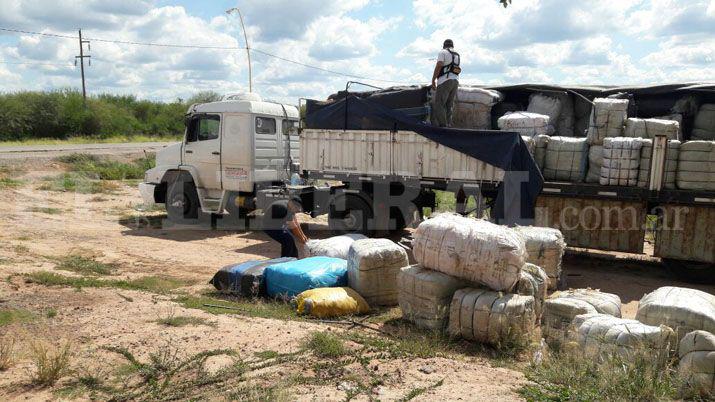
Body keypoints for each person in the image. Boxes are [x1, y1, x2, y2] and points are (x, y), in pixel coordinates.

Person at [431, 39, 461, 127]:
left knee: (439, 104)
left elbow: (439, 64)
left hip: (445, 80)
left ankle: (443, 125)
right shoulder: (457, 55)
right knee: (449, 104)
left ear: (444, 45)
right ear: (452, 46)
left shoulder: (443, 52)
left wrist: (433, 80)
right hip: (455, 81)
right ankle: (448, 124)